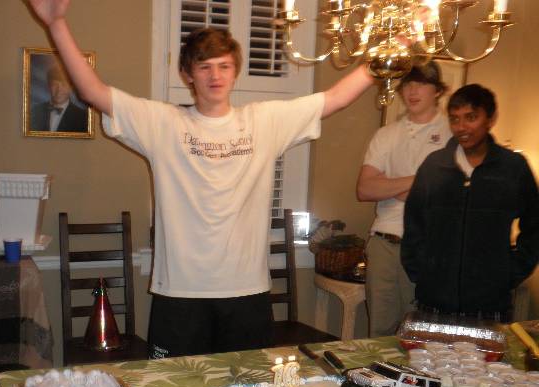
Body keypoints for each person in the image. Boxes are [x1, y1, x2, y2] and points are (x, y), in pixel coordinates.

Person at [29, 0, 375, 359]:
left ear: (235, 72)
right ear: (187, 74)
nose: (215, 75)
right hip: (180, 293)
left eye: (224, 66)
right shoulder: (163, 124)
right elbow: (93, 92)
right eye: (204, 66)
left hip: (246, 292)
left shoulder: (265, 122)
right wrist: (57, 24)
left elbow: (335, 98)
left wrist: (386, 57)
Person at [401, 84, 539, 320]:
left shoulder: (513, 168)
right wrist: (422, 272)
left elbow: (535, 226)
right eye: (454, 119)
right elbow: (414, 225)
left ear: (490, 119)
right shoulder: (434, 166)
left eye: (471, 117)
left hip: (489, 305)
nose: (461, 127)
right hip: (433, 302)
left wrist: (509, 273)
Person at [356, 62, 452, 337]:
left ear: (437, 91)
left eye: (421, 84)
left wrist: (390, 186)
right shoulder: (387, 134)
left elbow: (448, 194)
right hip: (383, 243)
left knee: (421, 332)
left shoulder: (452, 135)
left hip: (429, 245)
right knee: (380, 332)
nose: (412, 91)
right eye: (408, 84)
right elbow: (365, 189)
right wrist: (419, 180)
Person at [30, 62, 87, 132]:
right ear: (49, 86)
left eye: (64, 84)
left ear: (71, 88)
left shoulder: (82, 117)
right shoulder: (35, 111)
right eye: (54, 85)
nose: (59, 90)